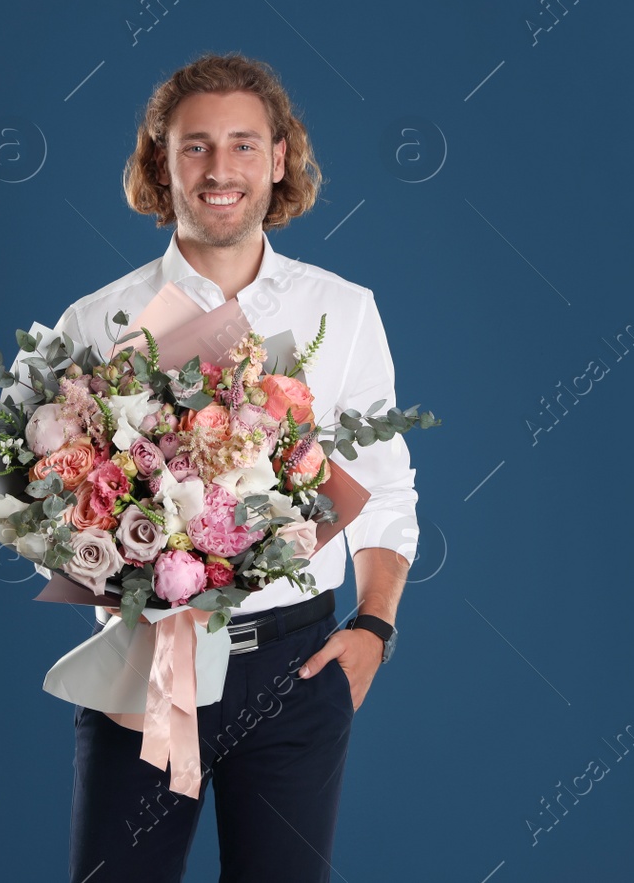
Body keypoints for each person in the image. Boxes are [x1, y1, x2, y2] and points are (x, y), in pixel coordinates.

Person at [49, 52, 420, 882]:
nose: (221, 169)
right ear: (159, 160)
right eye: (196, 146)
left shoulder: (343, 310)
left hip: (296, 666)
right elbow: (56, 507)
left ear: (280, 157)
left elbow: (388, 488)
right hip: (149, 658)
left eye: (245, 145)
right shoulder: (95, 321)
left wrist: (374, 629)